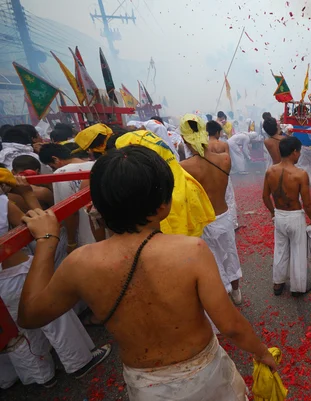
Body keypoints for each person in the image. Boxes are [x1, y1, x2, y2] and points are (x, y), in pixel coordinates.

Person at [17, 146, 277, 400]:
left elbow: (29, 315)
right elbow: (230, 325)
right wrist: (262, 353)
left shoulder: (79, 263)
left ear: (97, 204)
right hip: (204, 378)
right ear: (164, 205)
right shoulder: (191, 251)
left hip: (147, 387)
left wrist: (46, 242)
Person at [0, 168, 110, 389]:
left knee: (18, 330)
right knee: (57, 320)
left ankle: (41, 377)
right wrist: (28, 195)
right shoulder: (3, 204)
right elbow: (43, 222)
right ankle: (79, 362)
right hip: (18, 273)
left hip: (4, 281)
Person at [180, 119, 243, 305]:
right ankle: (236, 292)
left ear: (185, 140)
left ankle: (221, 298)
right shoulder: (224, 158)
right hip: (224, 216)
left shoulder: (183, 168)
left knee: (212, 262)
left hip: (203, 222)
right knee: (230, 255)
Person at [263, 137, 311, 297]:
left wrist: (273, 212)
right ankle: (298, 287)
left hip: (279, 215)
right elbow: (307, 204)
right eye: (299, 151)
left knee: (280, 249)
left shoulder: (270, 171)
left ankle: (278, 284)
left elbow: (265, 197)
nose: (299, 154)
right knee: (298, 251)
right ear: (294, 152)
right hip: (295, 217)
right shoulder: (300, 174)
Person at [39, 144, 96, 258]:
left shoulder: (61, 173)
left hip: (86, 238)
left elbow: (69, 212)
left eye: (52, 166)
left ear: (55, 159)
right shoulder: (97, 164)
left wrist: (71, 241)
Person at [206, 120, 239, 230]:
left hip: (210, 175)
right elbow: (227, 160)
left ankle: (214, 224)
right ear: (217, 132)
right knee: (228, 198)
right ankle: (232, 224)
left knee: (214, 199)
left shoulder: (205, 146)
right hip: (223, 174)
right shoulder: (223, 144)